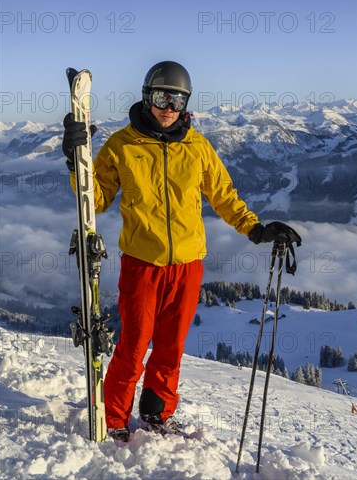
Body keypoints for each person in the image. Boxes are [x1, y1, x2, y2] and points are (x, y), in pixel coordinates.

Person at [62, 61, 299, 442]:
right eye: (161, 97)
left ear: (186, 103)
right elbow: (95, 199)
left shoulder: (198, 146)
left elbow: (224, 196)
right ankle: (115, 415)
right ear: (147, 96)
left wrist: (255, 229)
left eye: (177, 99)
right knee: (134, 345)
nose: (168, 107)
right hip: (142, 263)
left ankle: (156, 412)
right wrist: (77, 160)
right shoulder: (122, 145)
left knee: (172, 346)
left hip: (188, 266)